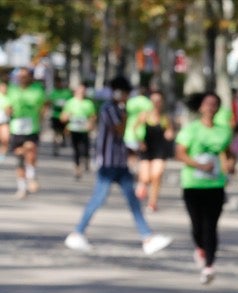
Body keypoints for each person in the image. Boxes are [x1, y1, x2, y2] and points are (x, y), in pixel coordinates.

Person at [62, 76, 172, 257]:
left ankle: (147, 236)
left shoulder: (118, 108)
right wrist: (128, 116)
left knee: (132, 201)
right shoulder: (110, 108)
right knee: (99, 198)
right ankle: (78, 232)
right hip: (109, 162)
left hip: (119, 161)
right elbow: (118, 130)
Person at [174, 91, 233, 284]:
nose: (210, 108)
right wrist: (199, 165)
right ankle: (200, 247)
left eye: (214, 104)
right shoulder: (191, 129)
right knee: (197, 225)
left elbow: (228, 153)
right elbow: (180, 153)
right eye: (207, 104)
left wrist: (230, 164)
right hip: (193, 183)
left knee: (211, 226)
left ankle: (209, 266)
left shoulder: (223, 131)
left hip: (215, 184)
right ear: (200, 107)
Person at [7, 68, 48, 198]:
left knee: (30, 150)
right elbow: (8, 107)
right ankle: (22, 188)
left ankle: (31, 176)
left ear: (31, 77)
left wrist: (42, 122)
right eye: (20, 76)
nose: (22, 78)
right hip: (16, 127)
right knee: (19, 158)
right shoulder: (12, 89)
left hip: (32, 127)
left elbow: (44, 106)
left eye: (25, 76)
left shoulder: (37, 89)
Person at [133, 89, 174, 213]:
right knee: (146, 177)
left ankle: (152, 203)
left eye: (159, 100)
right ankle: (142, 185)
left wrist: (169, 134)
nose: (156, 103)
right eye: (154, 100)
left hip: (160, 149)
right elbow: (134, 128)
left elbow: (170, 132)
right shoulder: (145, 115)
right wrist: (140, 142)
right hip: (147, 149)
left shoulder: (165, 118)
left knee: (156, 175)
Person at [61, 83, 96, 179]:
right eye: (79, 90)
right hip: (74, 129)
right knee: (76, 149)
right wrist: (67, 117)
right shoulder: (70, 102)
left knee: (84, 149)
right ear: (75, 92)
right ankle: (77, 168)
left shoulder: (88, 103)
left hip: (84, 130)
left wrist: (91, 124)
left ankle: (86, 160)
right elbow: (63, 116)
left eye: (83, 91)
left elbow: (93, 116)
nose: (81, 92)